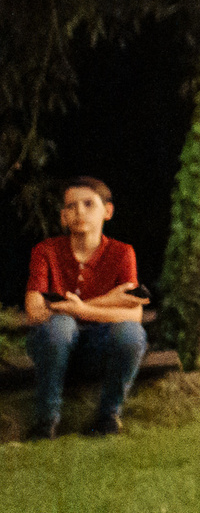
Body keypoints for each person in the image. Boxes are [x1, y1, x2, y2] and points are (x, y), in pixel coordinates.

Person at [21, 177, 147, 439]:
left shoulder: (122, 253)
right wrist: (107, 300)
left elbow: (134, 314)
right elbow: (35, 310)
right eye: (71, 206)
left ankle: (107, 416)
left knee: (132, 334)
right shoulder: (46, 251)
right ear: (63, 216)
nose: (79, 211)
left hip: (98, 349)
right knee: (61, 326)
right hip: (52, 346)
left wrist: (83, 310)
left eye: (89, 204)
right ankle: (46, 421)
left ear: (108, 211)